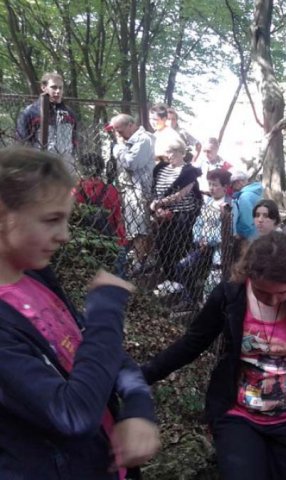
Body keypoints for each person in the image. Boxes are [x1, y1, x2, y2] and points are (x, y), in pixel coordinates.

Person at [0, 147, 159, 479]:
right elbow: (72, 414)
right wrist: (105, 313)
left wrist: (138, 407)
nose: (64, 235)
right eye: (51, 220)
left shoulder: (36, 276)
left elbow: (100, 354)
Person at [142, 232, 286, 480]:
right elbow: (192, 343)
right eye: (263, 292)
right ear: (248, 276)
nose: (273, 300)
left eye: (282, 292)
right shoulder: (230, 296)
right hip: (239, 416)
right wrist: (143, 374)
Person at [173, 168, 232, 310]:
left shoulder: (229, 204)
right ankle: (189, 298)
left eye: (215, 185)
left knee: (213, 277)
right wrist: (199, 238)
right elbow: (199, 222)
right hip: (201, 246)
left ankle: (206, 303)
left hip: (219, 249)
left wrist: (208, 241)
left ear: (225, 187)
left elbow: (225, 230)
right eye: (210, 184)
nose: (211, 188)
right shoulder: (208, 202)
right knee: (182, 266)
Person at [151, 137, 202, 296]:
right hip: (162, 215)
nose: (170, 155)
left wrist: (158, 204)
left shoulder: (189, 171)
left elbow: (180, 195)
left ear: (182, 153)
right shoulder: (161, 169)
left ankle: (179, 282)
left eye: (173, 152)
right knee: (161, 245)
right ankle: (169, 278)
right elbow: (155, 189)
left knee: (177, 247)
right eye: (168, 152)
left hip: (182, 215)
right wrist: (157, 208)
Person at [110, 113, 155, 275]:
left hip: (138, 190)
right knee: (132, 226)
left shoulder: (143, 140)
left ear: (131, 125)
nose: (118, 135)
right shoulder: (128, 140)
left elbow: (132, 163)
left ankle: (140, 262)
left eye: (120, 131)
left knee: (139, 228)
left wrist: (118, 148)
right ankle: (138, 257)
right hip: (127, 189)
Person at [16, 72, 78, 172]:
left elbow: (74, 141)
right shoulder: (30, 112)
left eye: (60, 88)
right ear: (43, 88)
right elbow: (22, 142)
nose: (58, 91)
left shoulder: (70, 114)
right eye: (54, 87)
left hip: (65, 169)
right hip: (39, 167)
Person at [74, 152, 127, 247]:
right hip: (107, 240)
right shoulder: (111, 190)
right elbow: (117, 218)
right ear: (101, 169)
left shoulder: (76, 190)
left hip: (80, 239)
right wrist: (121, 242)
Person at [230, 169, 263, 240]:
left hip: (249, 237)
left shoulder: (244, 197)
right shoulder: (256, 193)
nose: (232, 188)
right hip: (259, 233)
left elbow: (246, 221)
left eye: (232, 184)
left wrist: (241, 235)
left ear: (238, 182)